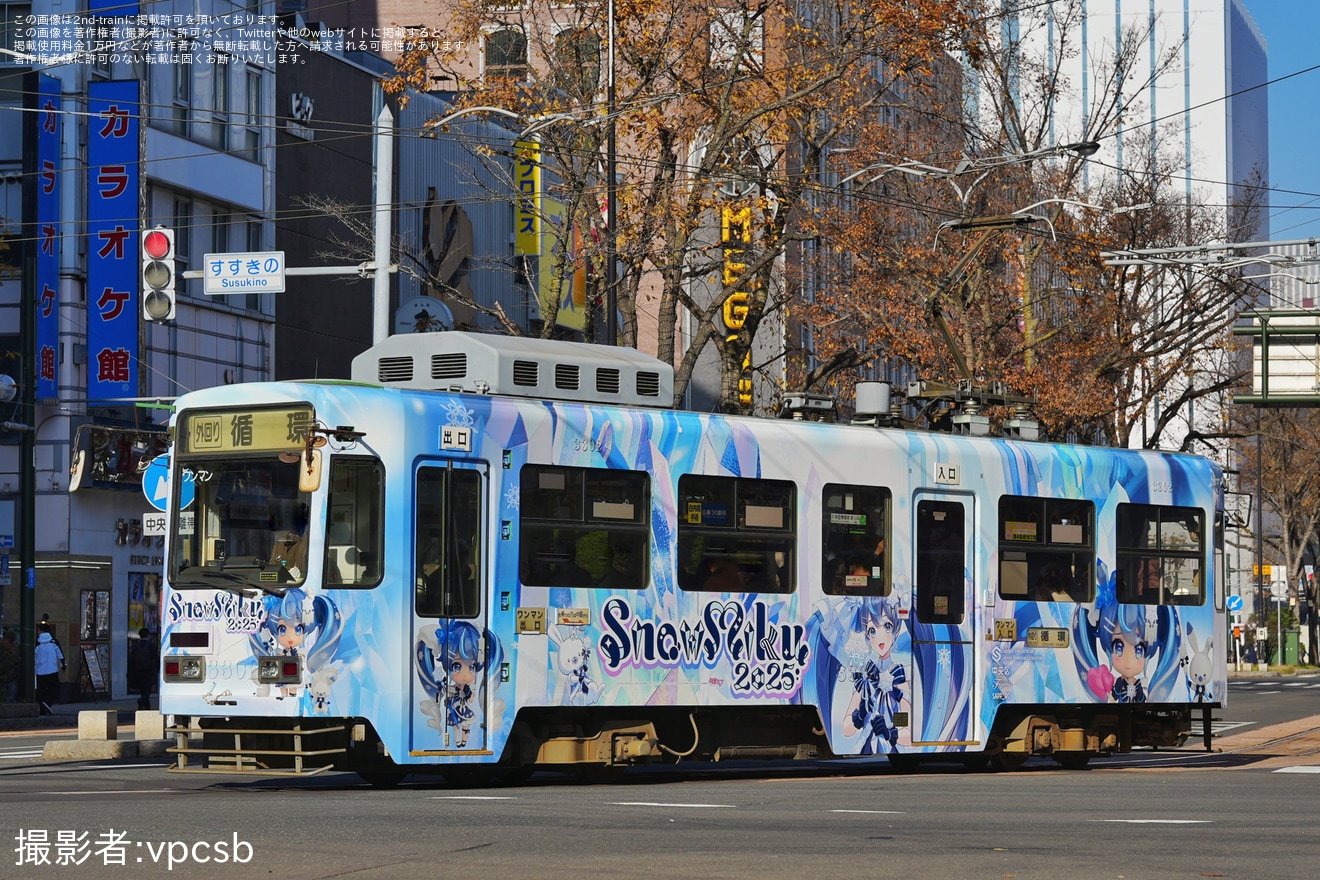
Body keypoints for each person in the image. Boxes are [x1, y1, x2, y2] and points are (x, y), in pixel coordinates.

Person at [34, 629, 65, 714]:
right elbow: (60, 655)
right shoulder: (54, 642)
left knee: (41, 690)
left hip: (40, 671)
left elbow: (34, 656)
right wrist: (63, 665)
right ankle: (48, 702)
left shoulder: (37, 643)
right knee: (55, 687)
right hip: (52, 669)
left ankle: (42, 710)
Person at [131, 627, 159, 711]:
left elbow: (131, 659)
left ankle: (145, 708)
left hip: (138, 671)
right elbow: (156, 658)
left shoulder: (136, 646)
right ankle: (142, 701)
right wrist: (157, 669)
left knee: (142, 689)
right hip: (148, 671)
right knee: (148, 689)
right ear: (147, 635)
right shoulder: (151, 645)